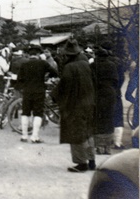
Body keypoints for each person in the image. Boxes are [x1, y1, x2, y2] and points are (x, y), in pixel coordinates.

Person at [51, 39, 95, 172]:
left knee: (76, 133)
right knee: (88, 132)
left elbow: (64, 86)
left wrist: (54, 96)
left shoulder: (69, 67)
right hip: (88, 102)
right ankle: (92, 161)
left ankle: (81, 164)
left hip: (75, 105)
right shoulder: (86, 64)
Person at [17, 45, 58, 143]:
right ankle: (35, 137)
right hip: (39, 91)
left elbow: (20, 79)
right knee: (38, 113)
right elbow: (55, 73)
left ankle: (24, 136)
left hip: (27, 91)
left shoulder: (24, 64)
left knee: (25, 112)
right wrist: (46, 77)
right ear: (39, 54)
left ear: (29, 54)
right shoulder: (43, 63)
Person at [90, 47, 119, 154]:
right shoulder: (112, 65)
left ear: (97, 56)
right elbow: (116, 81)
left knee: (98, 118)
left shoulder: (93, 65)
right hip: (110, 93)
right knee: (109, 118)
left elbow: (90, 80)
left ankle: (99, 146)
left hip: (98, 93)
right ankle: (108, 146)